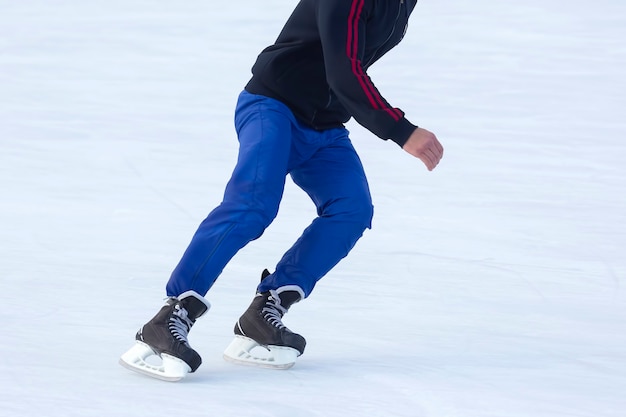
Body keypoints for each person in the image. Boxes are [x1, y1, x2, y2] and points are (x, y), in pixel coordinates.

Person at [120, 0, 443, 381]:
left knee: (352, 210)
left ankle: (266, 309)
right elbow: (345, 71)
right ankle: (172, 315)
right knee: (253, 206)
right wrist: (401, 130)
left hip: (324, 125)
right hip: (272, 107)